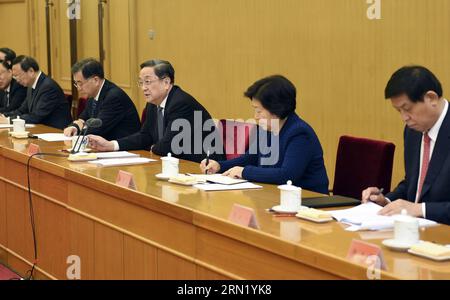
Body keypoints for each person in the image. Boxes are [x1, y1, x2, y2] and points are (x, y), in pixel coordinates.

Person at [199, 75, 329, 194]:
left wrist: (244, 172)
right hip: (275, 196)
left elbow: (287, 175)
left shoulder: (299, 133)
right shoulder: (268, 128)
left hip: (307, 202)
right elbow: (250, 158)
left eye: (259, 111)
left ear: (277, 108)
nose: (255, 116)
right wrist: (220, 165)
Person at [88, 59, 224, 162]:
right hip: (176, 163)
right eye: (141, 82)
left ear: (166, 83)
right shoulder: (154, 103)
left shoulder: (181, 103)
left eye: (148, 82)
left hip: (203, 166)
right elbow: (145, 136)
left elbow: (167, 146)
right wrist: (111, 145)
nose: (143, 88)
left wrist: (152, 146)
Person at [362, 66, 450, 225]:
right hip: (413, 232)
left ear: (431, 98)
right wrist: (387, 201)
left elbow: (417, 204)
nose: (404, 118)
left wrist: (420, 209)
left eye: (407, 109)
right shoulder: (413, 132)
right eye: (398, 111)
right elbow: (414, 184)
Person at [64, 58, 141, 140]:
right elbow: (82, 118)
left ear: (96, 80)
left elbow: (97, 129)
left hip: (126, 149)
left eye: (80, 83)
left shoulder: (114, 97)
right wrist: (74, 127)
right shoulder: (92, 95)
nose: (79, 88)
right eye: (76, 84)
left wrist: (80, 127)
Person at [0, 56, 72, 129]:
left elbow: (36, 116)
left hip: (58, 132)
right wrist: (3, 116)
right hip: (42, 130)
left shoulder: (48, 87)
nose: (17, 80)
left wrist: (8, 120)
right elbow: (21, 110)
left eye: (18, 76)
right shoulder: (31, 86)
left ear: (31, 71)